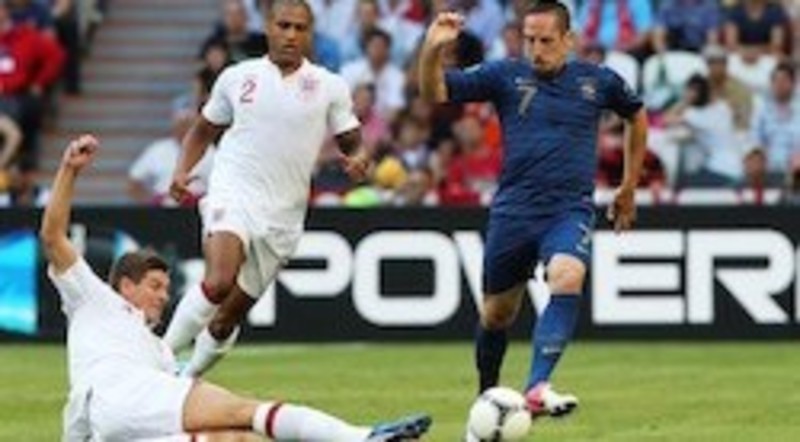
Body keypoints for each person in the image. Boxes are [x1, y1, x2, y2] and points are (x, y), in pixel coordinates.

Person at [40, 134, 431, 442]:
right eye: (154, 286)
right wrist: (69, 170)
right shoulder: (95, 300)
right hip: (123, 398)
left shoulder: (156, 352)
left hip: (114, 426)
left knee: (240, 437)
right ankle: (360, 437)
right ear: (125, 286)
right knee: (246, 411)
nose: (163, 296)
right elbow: (53, 236)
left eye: (166, 288)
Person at [419, 0, 647, 424]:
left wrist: (629, 185)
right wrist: (432, 50)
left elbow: (636, 115)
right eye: (529, 40)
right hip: (513, 212)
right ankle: (486, 397)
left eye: (546, 41)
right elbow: (434, 92)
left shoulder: (599, 81)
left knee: (568, 275)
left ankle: (538, 386)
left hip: (568, 209)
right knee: (496, 314)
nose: (536, 50)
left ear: (568, 40)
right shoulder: (505, 75)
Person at [164, 0, 372, 378]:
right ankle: (158, 356)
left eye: (300, 28)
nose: (291, 35)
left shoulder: (329, 86)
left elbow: (352, 141)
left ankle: (186, 377)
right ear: (267, 27)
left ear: (310, 34)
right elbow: (203, 130)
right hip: (234, 191)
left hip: (283, 216)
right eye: (283, 25)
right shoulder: (237, 77)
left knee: (226, 319)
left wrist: (358, 158)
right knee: (219, 281)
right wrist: (182, 170)